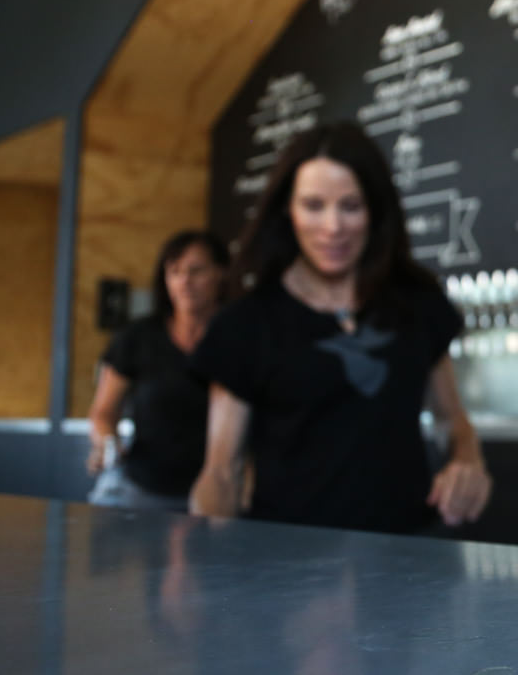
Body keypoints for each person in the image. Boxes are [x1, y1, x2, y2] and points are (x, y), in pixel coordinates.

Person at [188, 122, 492, 534]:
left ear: (375, 210)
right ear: (287, 211)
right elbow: (222, 472)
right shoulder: (246, 324)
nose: (333, 227)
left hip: (408, 559)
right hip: (292, 571)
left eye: (350, 206)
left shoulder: (416, 300)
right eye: (313, 206)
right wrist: (208, 566)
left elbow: (452, 421)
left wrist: (467, 461)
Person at [86, 230, 229, 511]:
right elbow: (103, 412)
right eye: (175, 271)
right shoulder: (137, 337)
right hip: (144, 490)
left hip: (221, 496)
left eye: (196, 270)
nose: (185, 282)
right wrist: (107, 444)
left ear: (221, 273)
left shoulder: (241, 338)